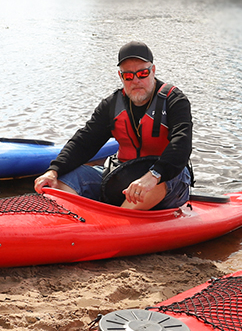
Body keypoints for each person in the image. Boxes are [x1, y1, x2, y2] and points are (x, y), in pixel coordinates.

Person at [34, 41, 192, 210]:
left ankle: (119, 221)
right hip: (123, 175)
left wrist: (153, 175)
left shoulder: (175, 100)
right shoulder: (112, 105)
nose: (136, 80)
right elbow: (84, 141)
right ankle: (80, 220)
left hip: (166, 180)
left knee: (154, 184)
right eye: (128, 76)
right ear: (120, 76)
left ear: (153, 71)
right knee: (60, 181)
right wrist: (54, 170)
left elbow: (182, 143)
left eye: (143, 73)